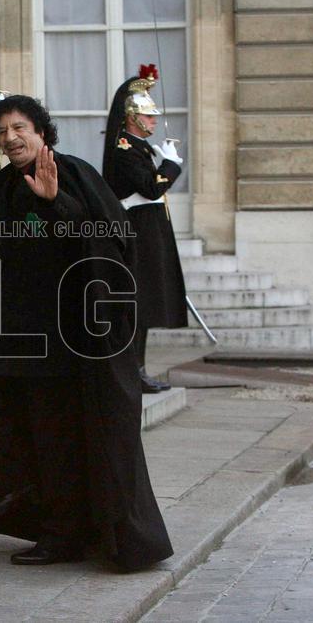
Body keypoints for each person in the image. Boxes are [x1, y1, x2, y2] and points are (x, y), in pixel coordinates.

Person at [0, 95, 173, 571]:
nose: (11, 137)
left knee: (58, 438)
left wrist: (57, 204)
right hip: (13, 336)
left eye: (20, 127)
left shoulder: (73, 173)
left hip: (68, 338)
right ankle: (29, 507)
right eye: (3, 130)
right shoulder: (1, 185)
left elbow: (111, 240)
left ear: (42, 131)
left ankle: (65, 533)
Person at [102, 65, 188, 393]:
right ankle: (133, 370)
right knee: (137, 306)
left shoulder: (140, 148)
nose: (153, 121)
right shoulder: (125, 149)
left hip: (151, 232)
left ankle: (140, 368)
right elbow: (151, 189)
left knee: (146, 304)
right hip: (139, 231)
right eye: (148, 116)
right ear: (133, 117)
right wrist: (172, 166)